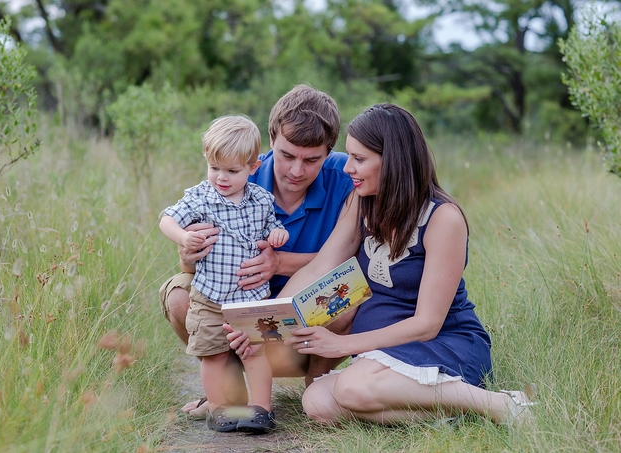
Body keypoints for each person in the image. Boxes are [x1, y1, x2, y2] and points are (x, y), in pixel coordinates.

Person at [228, 103, 536, 427]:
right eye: (349, 156)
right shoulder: (361, 203)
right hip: (383, 353)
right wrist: (267, 322)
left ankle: (499, 403)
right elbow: (321, 269)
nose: (347, 168)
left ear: (393, 162)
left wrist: (343, 345)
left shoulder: (443, 218)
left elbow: (427, 324)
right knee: (317, 402)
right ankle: (449, 413)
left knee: (351, 388)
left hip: (442, 344)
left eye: (359, 159)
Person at [158, 85, 355, 420]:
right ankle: (227, 393)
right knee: (178, 294)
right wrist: (189, 251)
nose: (296, 171)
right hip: (238, 319)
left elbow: (359, 261)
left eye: (312, 160)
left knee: (345, 295)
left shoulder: (346, 177)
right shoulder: (236, 173)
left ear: (329, 151)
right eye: (286, 155)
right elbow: (192, 265)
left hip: (303, 333)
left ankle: (317, 391)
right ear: (270, 142)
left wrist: (279, 263)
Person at [160, 115, 290, 433]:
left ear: (252, 167)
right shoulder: (201, 197)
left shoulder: (260, 200)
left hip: (250, 298)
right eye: (215, 168)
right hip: (210, 296)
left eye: (232, 171)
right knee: (213, 355)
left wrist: (277, 236)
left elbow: (272, 226)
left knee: (256, 353)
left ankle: (260, 410)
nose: (222, 177)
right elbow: (167, 218)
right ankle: (219, 409)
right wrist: (183, 237)